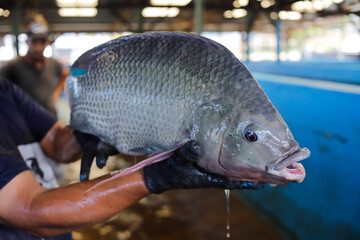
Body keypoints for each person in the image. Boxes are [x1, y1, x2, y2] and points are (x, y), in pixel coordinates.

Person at [0, 78, 263, 239]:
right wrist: (154, 176)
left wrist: (89, 132)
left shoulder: (5, 92)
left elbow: (57, 145)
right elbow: (31, 212)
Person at [0, 22, 68, 116]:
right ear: (27, 41)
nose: (38, 48)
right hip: (24, 121)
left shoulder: (53, 64)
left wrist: (55, 94)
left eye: (42, 42)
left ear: (48, 42)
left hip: (48, 117)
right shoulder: (13, 65)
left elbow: (65, 74)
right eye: (34, 42)